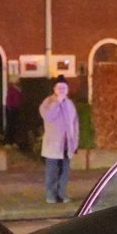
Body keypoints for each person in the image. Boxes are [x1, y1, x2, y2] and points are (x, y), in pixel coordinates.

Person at [39, 76, 79, 205]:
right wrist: (57, 102)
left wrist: (75, 141)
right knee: (52, 172)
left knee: (64, 172)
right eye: (59, 87)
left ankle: (62, 194)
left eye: (64, 88)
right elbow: (48, 116)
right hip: (53, 145)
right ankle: (51, 195)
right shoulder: (48, 102)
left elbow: (75, 124)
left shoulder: (70, 104)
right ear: (54, 89)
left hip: (67, 144)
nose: (62, 90)